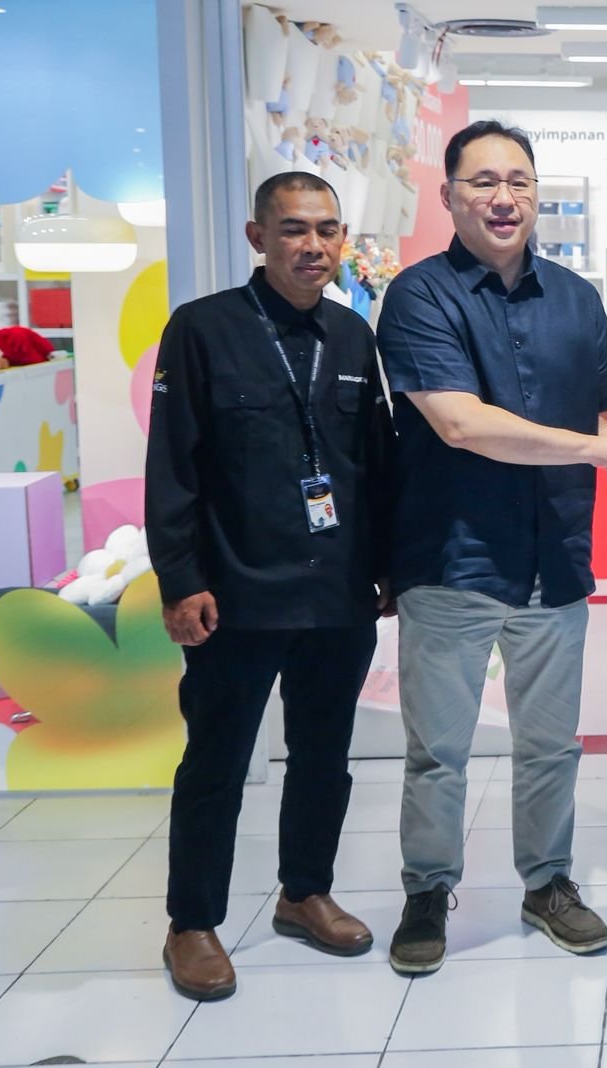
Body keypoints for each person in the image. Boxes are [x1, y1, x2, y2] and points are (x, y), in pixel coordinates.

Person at [375, 121, 607, 973]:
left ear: (537, 193)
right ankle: (428, 891)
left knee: (550, 744)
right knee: (439, 752)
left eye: (520, 182)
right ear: (449, 195)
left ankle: (548, 883)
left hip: (554, 555)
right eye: (484, 181)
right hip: (453, 558)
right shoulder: (419, 296)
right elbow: (461, 424)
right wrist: (600, 448)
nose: (504, 198)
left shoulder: (576, 298)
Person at [146, 171, 394, 1001]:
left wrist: (388, 567)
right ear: (258, 238)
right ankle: (191, 923)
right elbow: (172, 465)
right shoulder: (203, 329)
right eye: (294, 229)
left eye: (327, 230)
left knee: (324, 756)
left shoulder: (352, 335)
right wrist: (180, 580)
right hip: (236, 593)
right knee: (216, 761)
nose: (313, 246)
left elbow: (374, 463)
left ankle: (304, 892)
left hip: (337, 591)